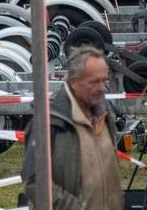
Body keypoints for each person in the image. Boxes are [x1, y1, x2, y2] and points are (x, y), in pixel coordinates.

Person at [22, 45, 123, 210]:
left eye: (104, 80)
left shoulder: (105, 115)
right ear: (74, 82)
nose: (102, 88)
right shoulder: (49, 122)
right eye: (94, 82)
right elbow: (34, 182)